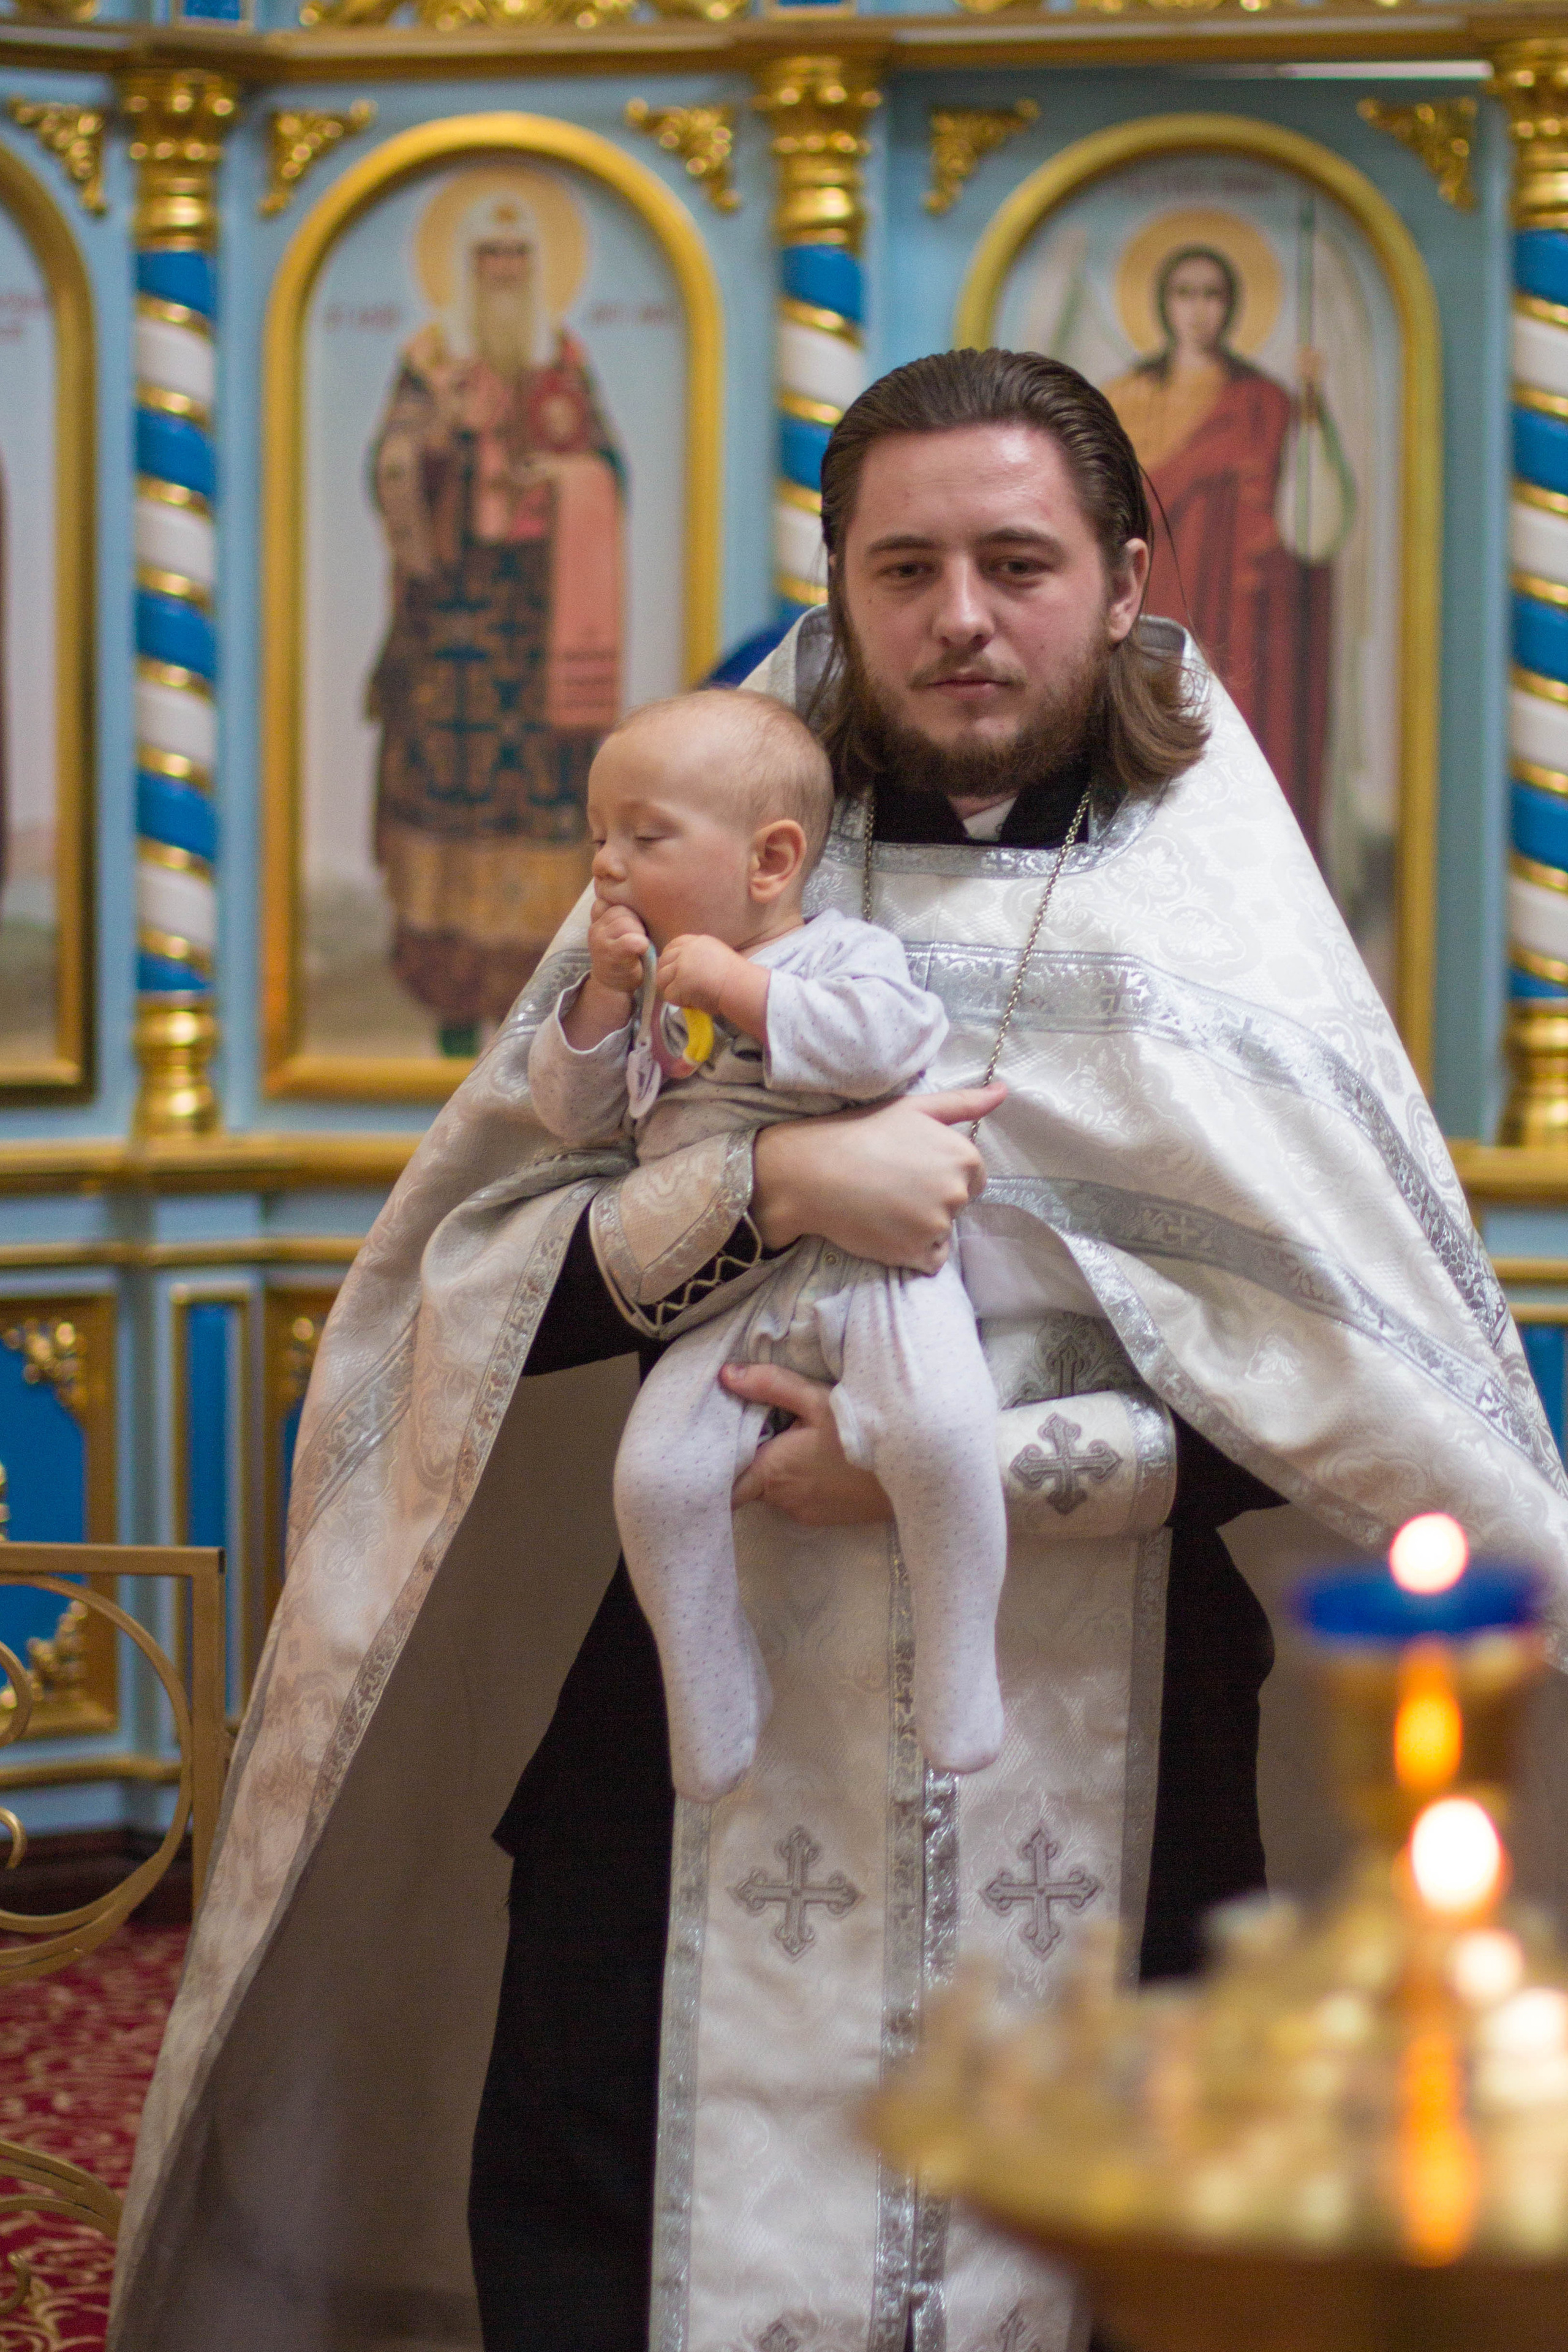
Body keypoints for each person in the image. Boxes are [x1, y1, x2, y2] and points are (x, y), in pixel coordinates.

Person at [111, 351, 1568, 2352]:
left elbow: (1358, 1401)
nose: (961, 614)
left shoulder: (1227, 938)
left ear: (1128, 578)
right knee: (597, 2215)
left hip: (1126, 1749)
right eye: (906, 568)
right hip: (694, 1748)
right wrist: (784, 1190)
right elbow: (489, 1303)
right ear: (840, 588)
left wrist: (973, 1469)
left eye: (1016, 561)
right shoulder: (726, 863)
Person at [529, 689, 1006, 1798]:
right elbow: (575, 1118)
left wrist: (745, 991)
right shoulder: (643, 981)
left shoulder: (847, 952)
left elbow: (891, 1044)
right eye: (599, 838)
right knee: (657, 1476)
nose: (607, 868)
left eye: (645, 839)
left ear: (770, 860)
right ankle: (709, 1691)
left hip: (878, 1268)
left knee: (939, 1429)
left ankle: (960, 1661)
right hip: (731, 1288)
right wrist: (600, 1004)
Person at [369, 184, 624, 1055]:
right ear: (468, 273)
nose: (505, 276)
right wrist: (440, 437)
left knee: (550, 792)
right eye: (490, 263)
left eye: (519, 262)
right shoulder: (433, 355)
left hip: (546, 622)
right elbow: (391, 465)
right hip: (453, 620)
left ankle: (543, 1003)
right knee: (446, 783)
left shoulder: (565, 357)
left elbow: (610, 469)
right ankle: (446, 996)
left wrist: (560, 479)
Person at [1102, 243, 1351, 849]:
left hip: (1244, 616)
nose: (1198, 310)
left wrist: (1314, 410)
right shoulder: (1123, 398)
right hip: (1152, 603)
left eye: (1211, 294)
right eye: (1184, 293)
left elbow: (1312, 523)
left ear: (1232, 305)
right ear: (1162, 302)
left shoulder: (1265, 402)